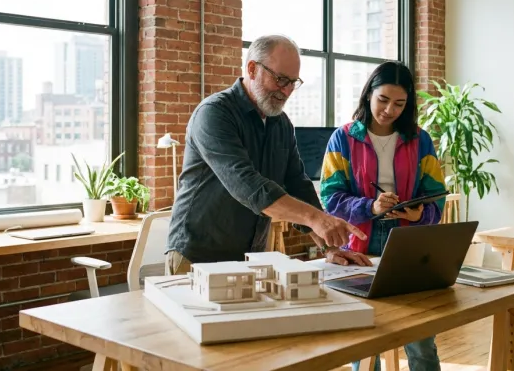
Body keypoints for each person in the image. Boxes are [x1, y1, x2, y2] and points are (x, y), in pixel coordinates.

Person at [164, 34, 371, 275]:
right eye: (281, 79)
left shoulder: (281, 124)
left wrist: (330, 246)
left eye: (293, 82)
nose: (287, 91)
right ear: (252, 69)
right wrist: (316, 219)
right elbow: (248, 186)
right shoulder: (214, 114)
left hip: (250, 258)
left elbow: (298, 184)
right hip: (197, 257)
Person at [319, 61, 447, 371]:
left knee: (421, 343)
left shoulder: (420, 139)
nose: (390, 109)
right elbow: (330, 198)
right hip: (358, 243)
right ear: (368, 96)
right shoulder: (344, 138)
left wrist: (420, 214)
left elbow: (437, 197)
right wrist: (371, 207)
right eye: (383, 100)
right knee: (363, 346)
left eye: (399, 103)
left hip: (407, 242)